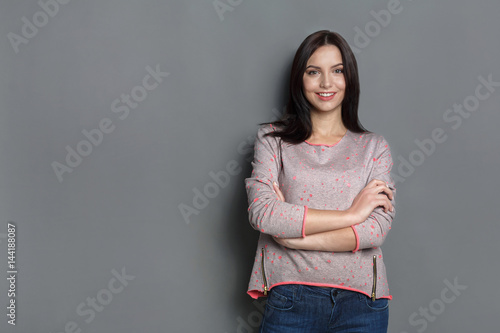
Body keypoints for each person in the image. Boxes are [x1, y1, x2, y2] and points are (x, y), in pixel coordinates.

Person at [244, 30, 397, 332]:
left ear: (349, 78)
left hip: (363, 302)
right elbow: (264, 214)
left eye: (337, 71)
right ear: (299, 79)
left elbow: (375, 229)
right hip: (291, 295)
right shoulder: (272, 140)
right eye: (314, 72)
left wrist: (293, 239)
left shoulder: (374, 147)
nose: (327, 83)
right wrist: (352, 215)